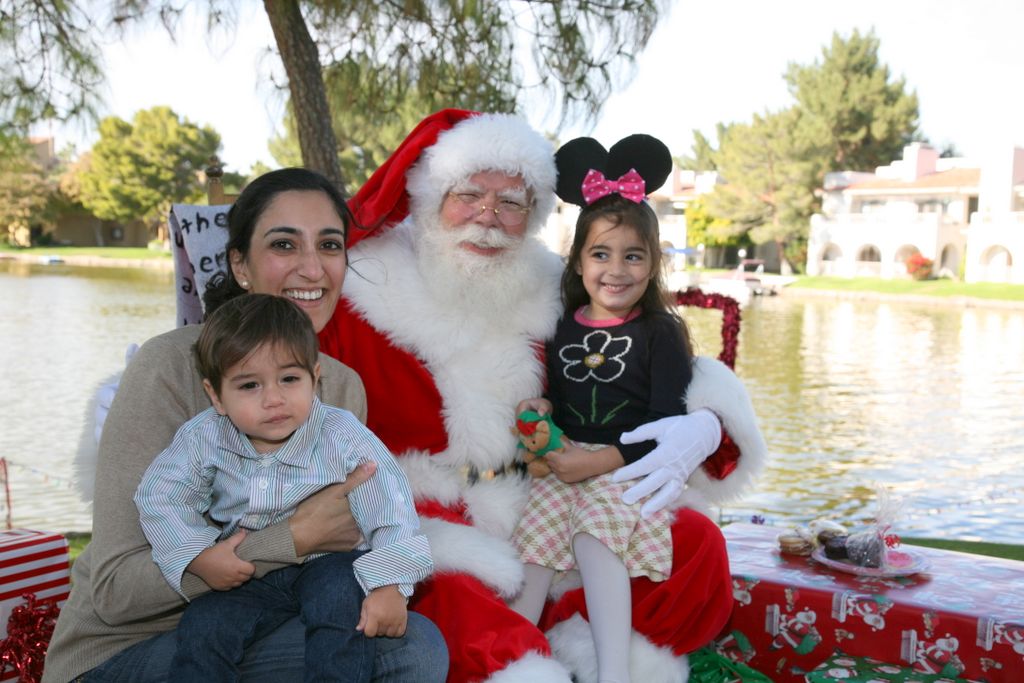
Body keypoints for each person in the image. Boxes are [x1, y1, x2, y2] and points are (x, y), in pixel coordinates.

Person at [316, 110, 767, 682]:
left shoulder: (553, 285)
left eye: (512, 202)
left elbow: (639, 356)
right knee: (448, 588)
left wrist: (702, 420)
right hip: (425, 505)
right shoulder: (363, 288)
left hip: (549, 488)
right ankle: (525, 663)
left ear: (533, 216)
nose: (488, 218)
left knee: (694, 543)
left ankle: (585, 645)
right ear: (431, 196)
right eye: (470, 194)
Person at [43, 168, 448, 683]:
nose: (311, 267)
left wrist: (384, 572)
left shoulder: (341, 389)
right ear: (240, 264)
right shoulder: (169, 368)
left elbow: (363, 527)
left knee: (391, 635)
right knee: (405, 652)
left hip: (269, 620)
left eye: (329, 244)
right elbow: (116, 591)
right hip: (126, 649)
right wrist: (291, 538)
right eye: (284, 244)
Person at [507, 134, 723, 683]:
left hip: (628, 471)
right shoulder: (562, 327)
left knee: (593, 535)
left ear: (653, 265)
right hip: (564, 467)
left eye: (633, 256)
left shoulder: (660, 332)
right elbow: (563, 394)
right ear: (578, 263)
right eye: (601, 254)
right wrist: (542, 407)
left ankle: (613, 671)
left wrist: (598, 463)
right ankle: (515, 659)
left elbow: (666, 426)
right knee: (533, 545)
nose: (616, 269)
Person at [134, 294, 432, 681]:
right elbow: (161, 496)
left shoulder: (343, 436)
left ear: (315, 376)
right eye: (249, 385)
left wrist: (391, 583)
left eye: (290, 379)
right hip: (253, 573)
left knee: (342, 610)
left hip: (328, 562)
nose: (273, 399)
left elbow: (390, 505)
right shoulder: (205, 436)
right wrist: (195, 555)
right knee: (204, 625)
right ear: (216, 396)